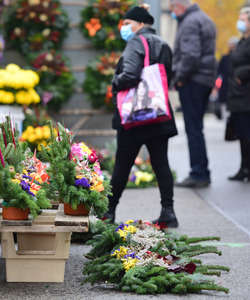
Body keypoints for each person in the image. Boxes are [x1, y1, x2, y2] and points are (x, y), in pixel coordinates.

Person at [104, 6, 179, 227]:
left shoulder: (136, 42)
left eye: (127, 23)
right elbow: (167, 76)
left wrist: (115, 83)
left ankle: (109, 211)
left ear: (139, 24)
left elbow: (129, 75)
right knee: (161, 163)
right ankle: (168, 211)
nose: (125, 28)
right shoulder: (163, 43)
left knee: (122, 165)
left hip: (135, 118)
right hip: (158, 113)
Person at [170, 0, 216, 188]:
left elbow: (190, 55)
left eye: (173, 8)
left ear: (179, 6)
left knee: (193, 129)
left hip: (193, 81)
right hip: (204, 79)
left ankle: (198, 173)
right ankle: (201, 171)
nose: (173, 12)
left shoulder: (189, 22)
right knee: (197, 127)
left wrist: (179, 77)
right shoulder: (204, 18)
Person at [227, 7, 250, 182]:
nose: (240, 22)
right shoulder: (243, 41)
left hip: (246, 95)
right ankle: (244, 168)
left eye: (244, 19)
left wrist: (242, 73)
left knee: (247, 134)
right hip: (238, 95)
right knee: (242, 134)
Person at [211, 37, 239, 120]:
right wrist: (216, 87)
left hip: (236, 91)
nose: (231, 46)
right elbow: (219, 76)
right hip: (225, 89)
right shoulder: (225, 58)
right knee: (226, 115)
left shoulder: (240, 58)